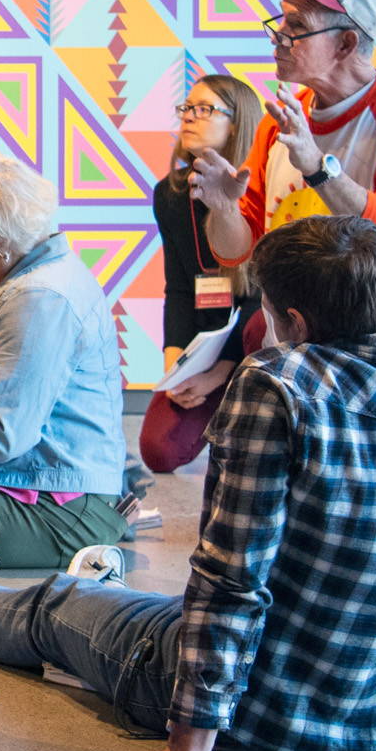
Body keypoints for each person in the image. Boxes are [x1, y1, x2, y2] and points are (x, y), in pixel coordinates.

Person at [0, 215, 376, 751]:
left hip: (259, 720)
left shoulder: (277, 387)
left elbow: (231, 582)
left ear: (296, 323)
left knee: (53, 605)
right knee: (146, 607)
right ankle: (107, 591)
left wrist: (186, 749)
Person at [190, 0, 376, 330]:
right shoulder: (277, 123)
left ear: (346, 43)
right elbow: (235, 253)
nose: (277, 36)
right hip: (293, 359)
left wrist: (318, 169)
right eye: (282, 21)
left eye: (297, 26)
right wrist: (225, 208)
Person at [0, 154, 128, 568]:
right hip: (47, 490)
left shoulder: (38, 299)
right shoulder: (37, 278)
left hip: (60, 511)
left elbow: (0, 436)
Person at [139, 76, 265, 475]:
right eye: (187, 108)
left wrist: (221, 372)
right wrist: (176, 362)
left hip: (257, 345)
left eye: (205, 109)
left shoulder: (261, 189)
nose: (190, 117)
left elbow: (265, 299)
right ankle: (225, 413)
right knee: (158, 451)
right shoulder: (171, 194)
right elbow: (177, 287)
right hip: (204, 344)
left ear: (238, 123)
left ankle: (242, 407)